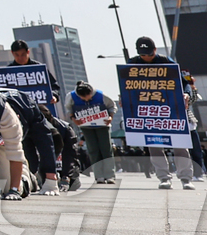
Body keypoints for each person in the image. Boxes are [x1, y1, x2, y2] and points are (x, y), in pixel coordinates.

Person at [128, 37, 194, 190]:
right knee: (154, 144)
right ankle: (164, 177)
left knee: (179, 144)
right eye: (143, 55)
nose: (146, 58)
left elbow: (185, 84)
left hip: (170, 108)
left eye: (149, 54)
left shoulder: (167, 61)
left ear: (155, 50)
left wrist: (186, 95)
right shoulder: (132, 63)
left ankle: (185, 178)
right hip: (148, 110)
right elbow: (127, 84)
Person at [70, 80, 117, 183]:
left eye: (89, 96)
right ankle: (98, 176)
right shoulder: (71, 96)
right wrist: (74, 119)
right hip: (86, 126)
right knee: (93, 150)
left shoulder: (100, 95)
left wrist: (110, 117)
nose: (88, 99)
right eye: (84, 98)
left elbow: (112, 106)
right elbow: (69, 109)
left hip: (102, 125)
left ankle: (110, 175)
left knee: (106, 150)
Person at [7, 39, 61, 104]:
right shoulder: (8, 72)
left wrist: (54, 96)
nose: (20, 58)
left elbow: (54, 85)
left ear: (28, 52)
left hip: (41, 107)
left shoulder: (39, 68)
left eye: (23, 55)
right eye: (17, 55)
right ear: (12, 53)